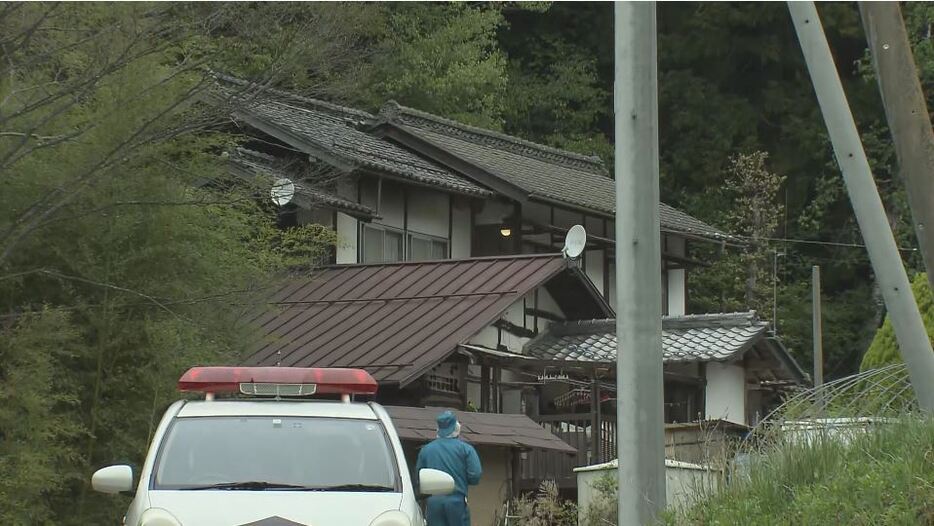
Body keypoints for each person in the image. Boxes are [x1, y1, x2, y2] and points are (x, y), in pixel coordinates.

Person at [415, 410, 482, 526]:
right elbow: (475, 475)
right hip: (457, 501)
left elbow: (418, 478)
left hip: (433, 503)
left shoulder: (426, 450)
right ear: (457, 428)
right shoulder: (466, 449)